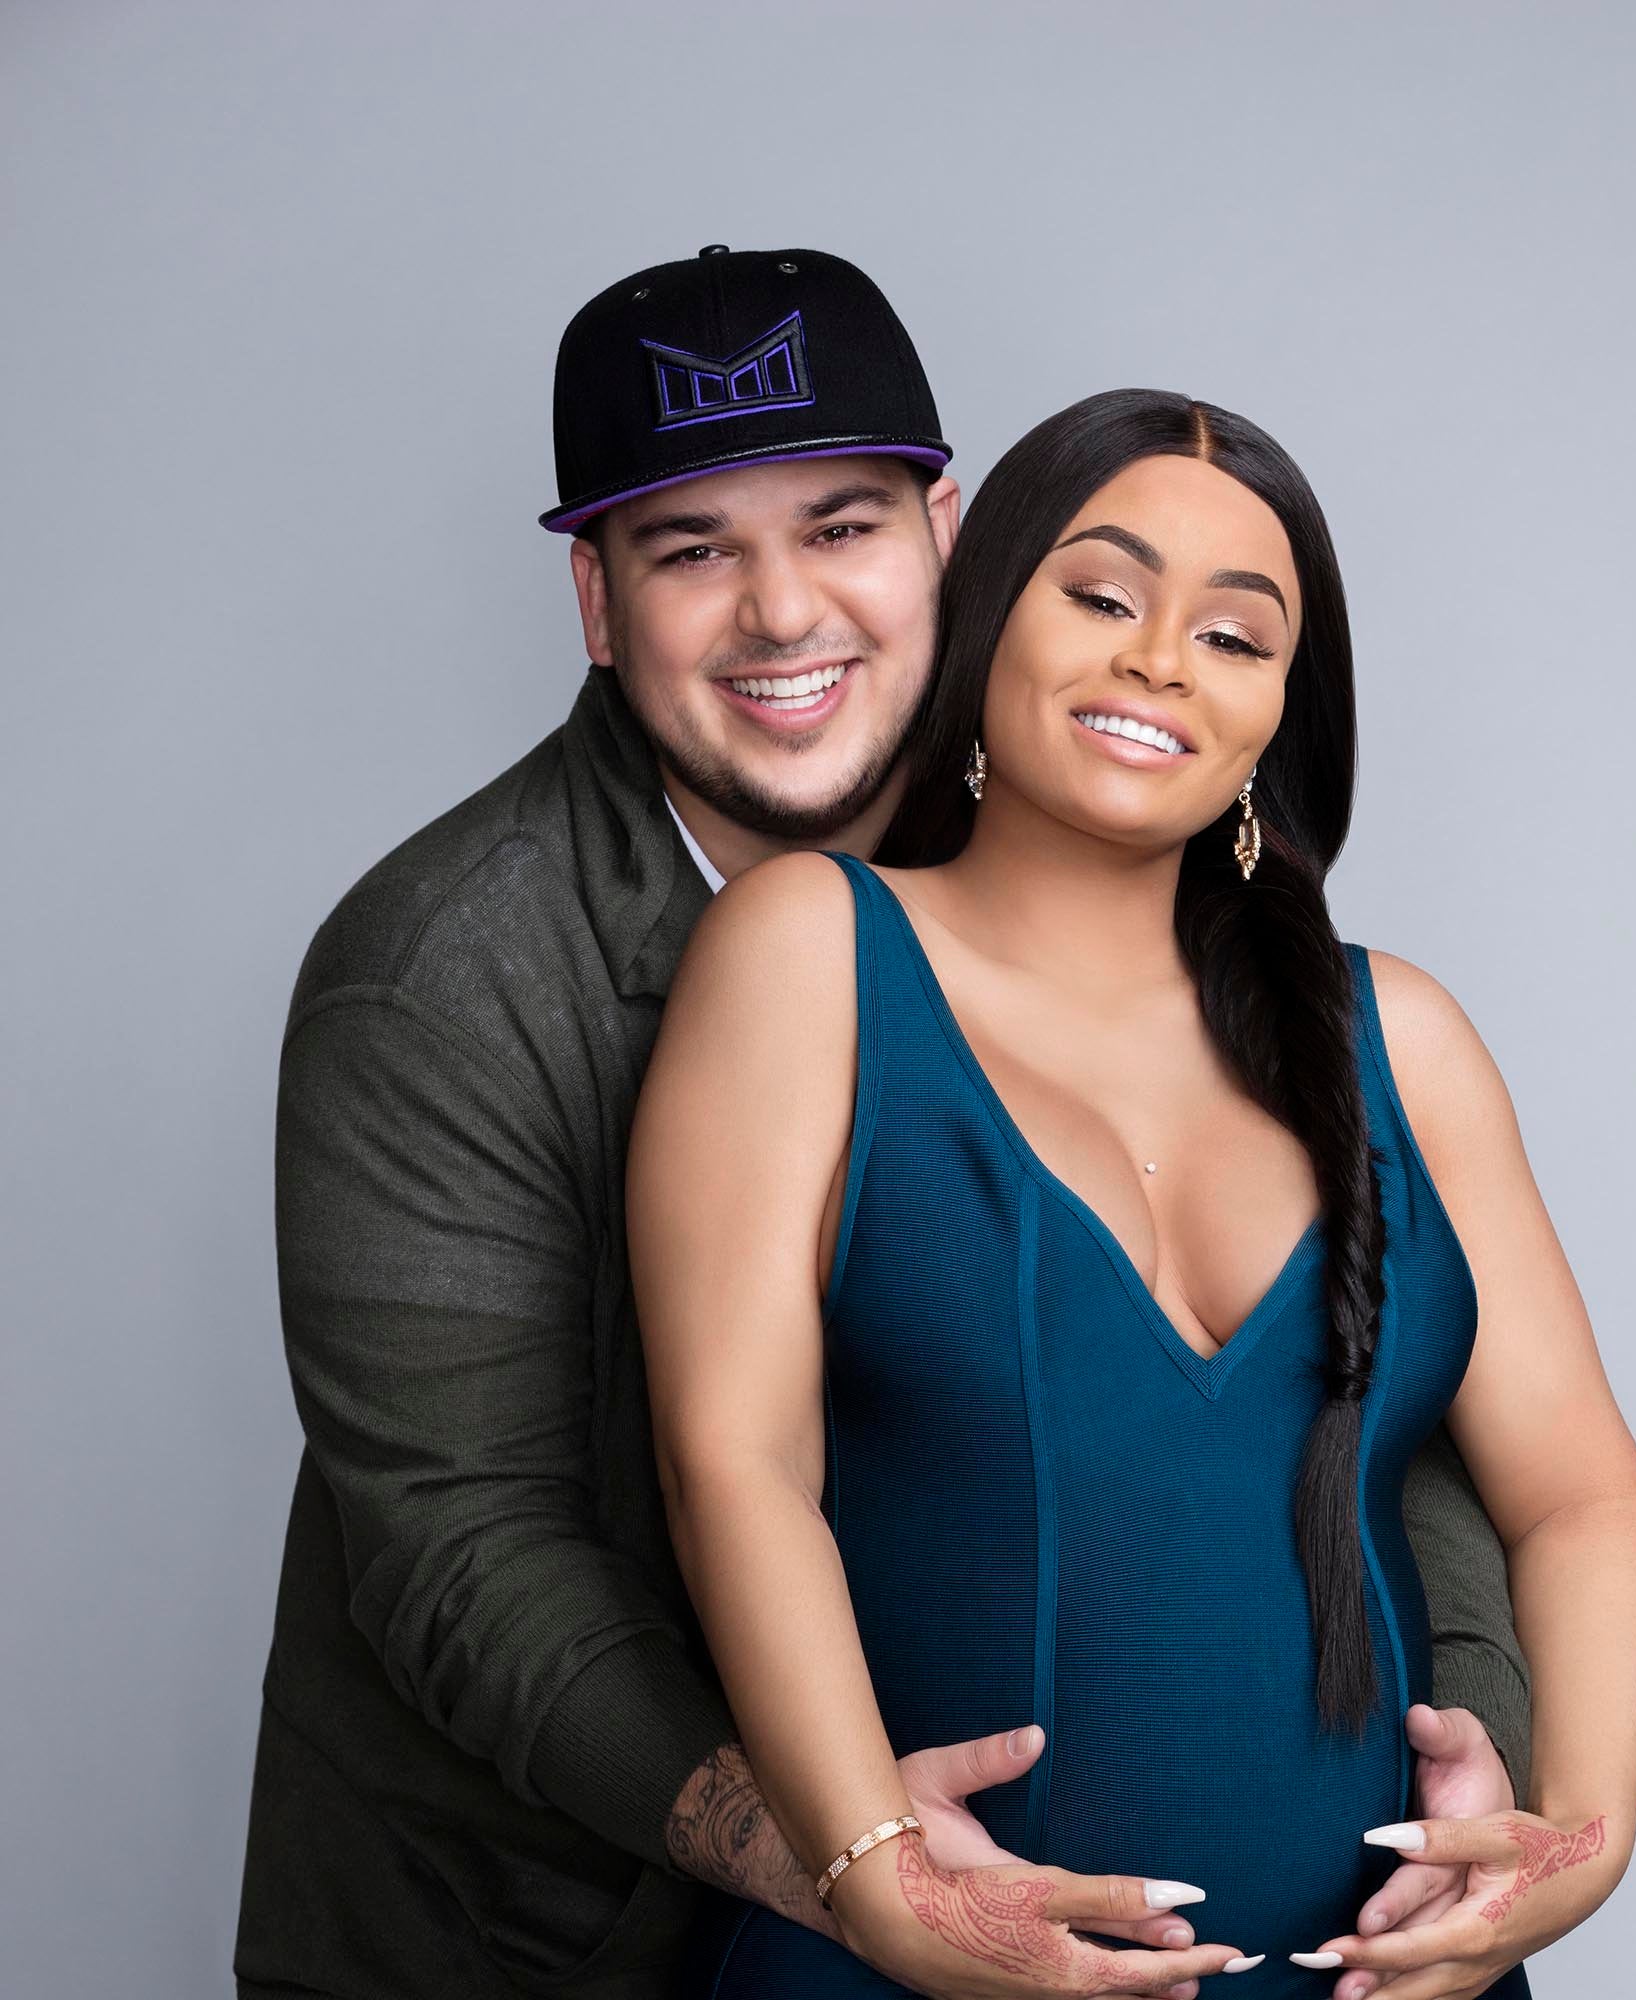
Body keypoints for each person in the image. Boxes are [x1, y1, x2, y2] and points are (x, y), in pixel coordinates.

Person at [234, 248, 1537, 2000]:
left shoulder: (1103, 815)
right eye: (692, 550)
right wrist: (850, 1866)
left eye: (840, 528)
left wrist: (1477, 1735)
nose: (784, 615)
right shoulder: (443, 976)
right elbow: (467, 1553)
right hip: (550, 1924)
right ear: (597, 601)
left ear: (948, 540)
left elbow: (1366, 1372)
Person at [625, 388, 1636, 1999]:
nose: (1162, 659)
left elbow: (1582, 1493)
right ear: (989, 619)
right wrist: (874, 1872)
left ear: (1276, 717)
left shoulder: (1401, 1038)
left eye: (1234, 635)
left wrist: (1574, 1846)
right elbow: (733, 1462)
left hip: (1384, 1977)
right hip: (924, 1969)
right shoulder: (808, 953)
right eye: (1103, 597)